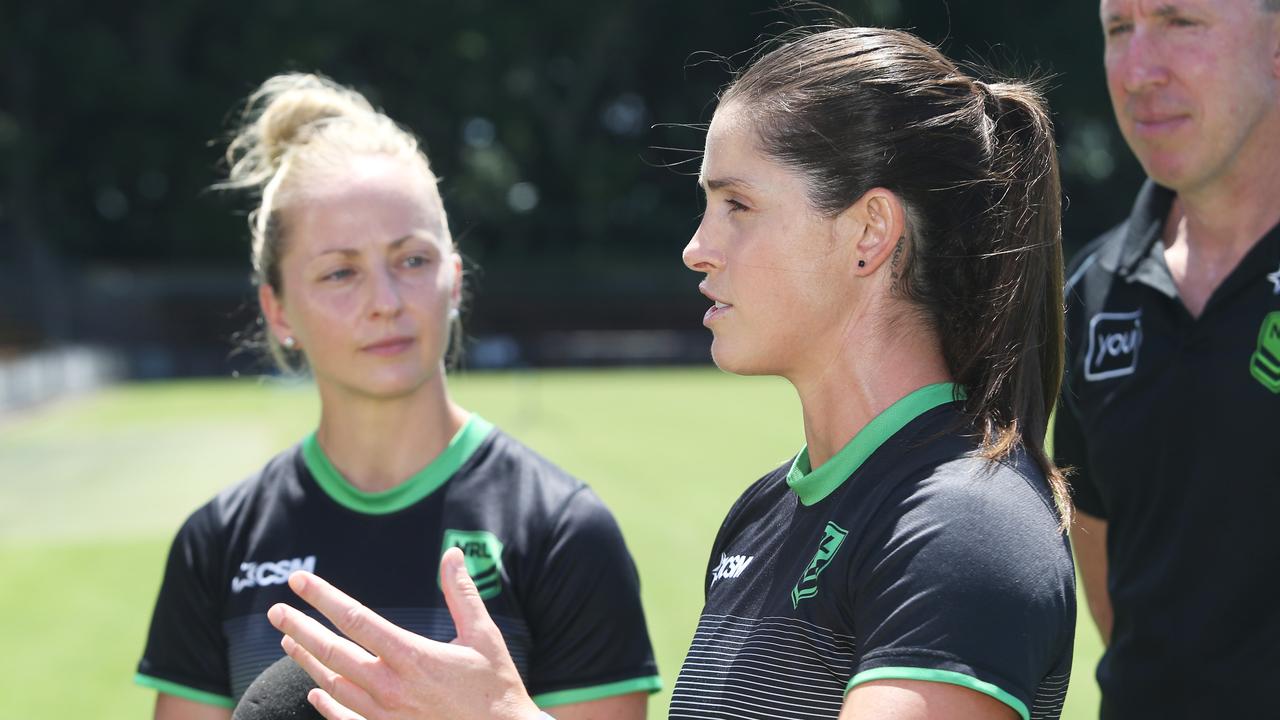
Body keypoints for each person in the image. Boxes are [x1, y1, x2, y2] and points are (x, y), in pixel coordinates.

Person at [266, 24, 1076, 720]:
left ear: (868, 232)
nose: (696, 247)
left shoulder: (967, 526)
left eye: (737, 205)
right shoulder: (761, 515)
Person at [133, 73, 661, 720]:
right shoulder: (216, 544)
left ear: (455, 279)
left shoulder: (560, 531)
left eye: (412, 260)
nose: (385, 302)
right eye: (340, 272)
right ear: (278, 312)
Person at [1053, 0, 1280, 716]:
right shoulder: (1092, 292)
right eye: (1119, 29)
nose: (1138, 70)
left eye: (1181, 21)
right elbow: (1104, 565)